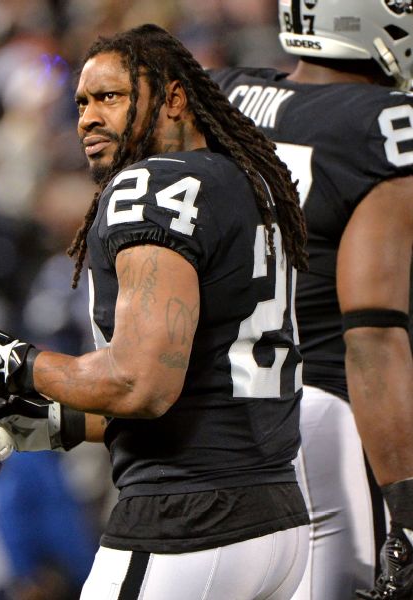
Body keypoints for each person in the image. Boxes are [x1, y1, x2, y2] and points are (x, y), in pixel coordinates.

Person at [0, 23, 311, 599]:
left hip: (186, 522)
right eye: (81, 103)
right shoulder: (248, 183)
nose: (88, 119)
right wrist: (39, 420)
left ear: (174, 98)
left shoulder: (153, 186)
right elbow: (188, 388)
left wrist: (13, 364)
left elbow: (141, 384)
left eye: (110, 97)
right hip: (277, 523)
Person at [210, 2, 413, 599]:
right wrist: (408, 511)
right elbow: (373, 335)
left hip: (216, 417)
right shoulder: (384, 123)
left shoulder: (227, 95)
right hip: (328, 415)